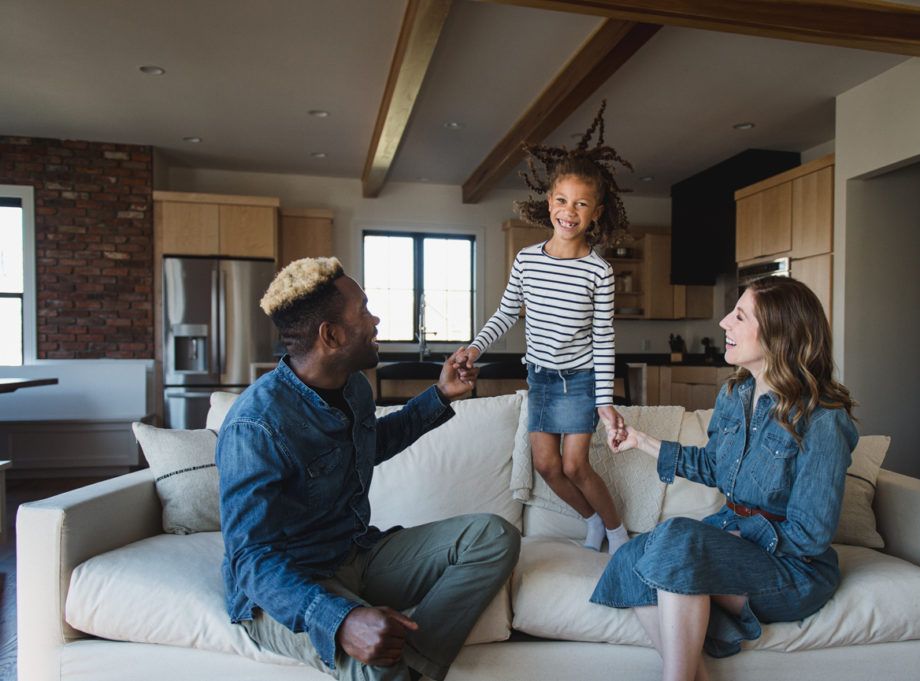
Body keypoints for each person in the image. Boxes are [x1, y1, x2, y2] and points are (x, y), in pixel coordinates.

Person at [216, 257, 520, 681]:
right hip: (288, 586)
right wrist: (339, 619)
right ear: (332, 335)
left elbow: (370, 444)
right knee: (376, 667)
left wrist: (442, 394)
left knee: (492, 536)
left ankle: (411, 664)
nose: (375, 319)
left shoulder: (352, 385)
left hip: (354, 552)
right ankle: (393, 665)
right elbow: (250, 559)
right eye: (364, 309)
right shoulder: (256, 424)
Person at [590, 276, 859, 681]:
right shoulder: (735, 395)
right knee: (633, 554)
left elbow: (812, 534)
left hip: (792, 568)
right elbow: (716, 468)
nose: (722, 322)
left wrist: (728, 540)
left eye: (739, 315)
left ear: (778, 335)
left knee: (679, 539)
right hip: (734, 546)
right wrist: (640, 441)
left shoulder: (823, 418)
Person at [453, 102, 632, 555]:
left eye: (581, 204)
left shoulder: (599, 271)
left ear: (596, 212)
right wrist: (475, 347)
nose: (568, 211)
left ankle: (618, 535)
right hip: (542, 378)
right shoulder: (527, 260)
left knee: (575, 465)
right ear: (548, 201)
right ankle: (592, 521)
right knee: (547, 466)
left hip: (581, 380)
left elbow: (604, 338)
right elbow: (507, 311)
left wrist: (606, 401)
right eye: (561, 200)